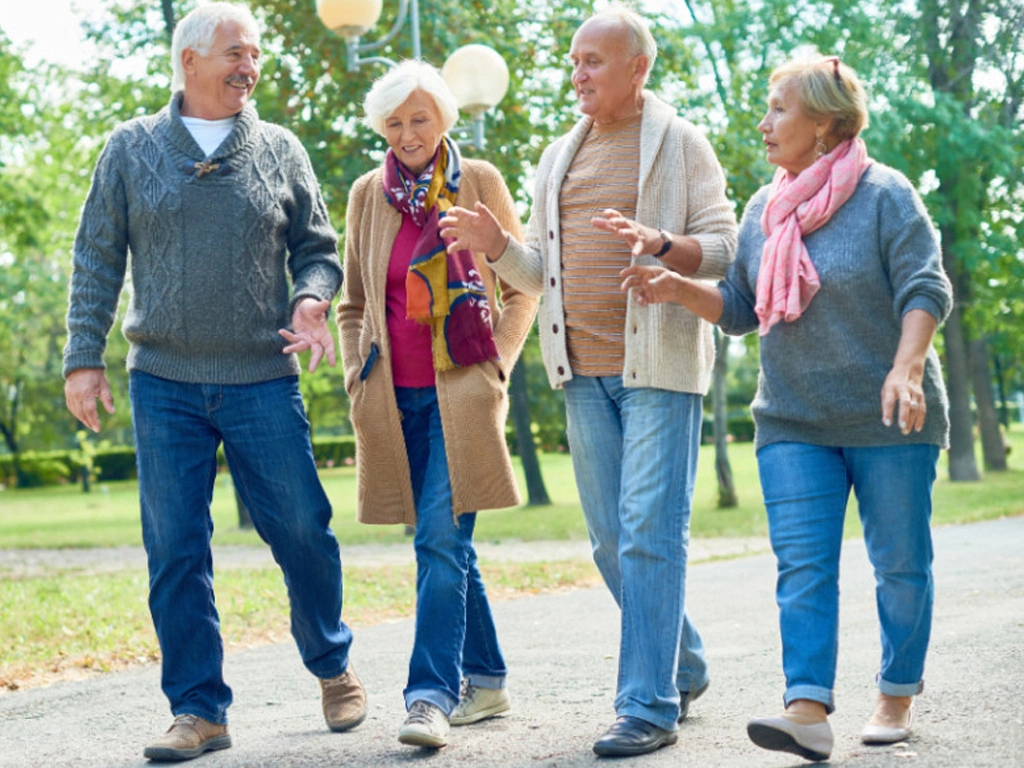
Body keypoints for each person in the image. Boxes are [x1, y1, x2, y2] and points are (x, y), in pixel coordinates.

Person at [619, 57, 952, 762]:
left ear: (828, 125)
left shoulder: (887, 195)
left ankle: (896, 689)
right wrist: (678, 288)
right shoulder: (764, 210)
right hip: (793, 419)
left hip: (890, 417)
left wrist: (908, 368)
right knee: (802, 569)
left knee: (900, 564)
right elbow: (740, 307)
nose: (764, 123)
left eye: (778, 110)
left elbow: (926, 286)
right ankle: (807, 710)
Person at [62, 3, 366, 761]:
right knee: (174, 548)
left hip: (262, 375)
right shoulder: (130, 149)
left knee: (301, 527)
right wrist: (82, 358)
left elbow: (318, 249)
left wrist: (312, 297)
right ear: (190, 60)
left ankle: (331, 664)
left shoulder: (280, 148)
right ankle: (199, 710)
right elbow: (97, 257)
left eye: (256, 55)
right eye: (236, 52)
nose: (250, 66)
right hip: (162, 379)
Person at [438, 6, 737, 757]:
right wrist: (497, 244)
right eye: (574, 62)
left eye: (593, 62)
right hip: (582, 374)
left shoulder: (680, 143)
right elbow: (539, 270)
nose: (578, 75)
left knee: (648, 535)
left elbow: (727, 246)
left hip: (659, 372)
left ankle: (648, 706)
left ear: (638, 69)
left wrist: (664, 248)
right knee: (610, 542)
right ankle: (683, 662)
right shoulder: (557, 155)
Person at [336, 60, 537, 750]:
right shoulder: (369, 194)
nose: (407, 133)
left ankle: (429, 698)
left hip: (462, 396)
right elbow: (354, 303)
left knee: (438, 541)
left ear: (444, 118)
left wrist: (496, 366)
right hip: (394, 402)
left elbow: (523, 286)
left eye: (419, 118)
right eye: (394, 122)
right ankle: (486, 678)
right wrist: (354, 378)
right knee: (447, 546)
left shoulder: (477, 181)